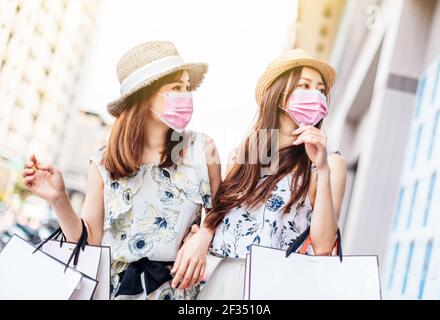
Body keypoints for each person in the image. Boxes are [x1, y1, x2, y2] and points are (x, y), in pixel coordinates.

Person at [22, 41, 221, 300]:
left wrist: (203, 236)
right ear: (145, 96)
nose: (185, 96)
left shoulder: (202, 149)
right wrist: (59, 199)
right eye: (175, 88)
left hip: (179, 294)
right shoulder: (104, 161)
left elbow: (221, 215)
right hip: (115, 293)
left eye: (186, 87)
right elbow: (89, 242)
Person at [171, 48, 346, 299]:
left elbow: (323, 246)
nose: (316, 96)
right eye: (305, 86)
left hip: (280, 286)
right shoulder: (249, 152)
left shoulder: (329, 163)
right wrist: (202, 237)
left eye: (321, 90)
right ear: (280, 95)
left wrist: (324, 169)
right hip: (225, 279)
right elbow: (219, 211)